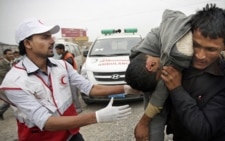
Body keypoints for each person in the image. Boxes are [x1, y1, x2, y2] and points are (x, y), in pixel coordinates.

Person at [0, 18, 139, 141]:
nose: (52, 41)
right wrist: (97, 117)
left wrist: (126, 88)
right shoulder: (14, 82)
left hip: (71, 135)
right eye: (45, 37)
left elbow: (90, 88)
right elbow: (46, 122)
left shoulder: (62, 66)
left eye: (51, 36)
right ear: (28, 44)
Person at [127, 4, 225, 141]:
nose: (200, 55)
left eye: (211, 49)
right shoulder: (175, 63)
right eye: (195, 45)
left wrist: (177, 89)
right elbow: (156, 101)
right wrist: (144, 122)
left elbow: (203, 131)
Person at [125, 7, 193, 141]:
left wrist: (143, 122)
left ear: (151, 65)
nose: (162, 75)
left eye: (160, 75)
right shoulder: (138, 55)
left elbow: (159, 95)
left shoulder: (176, 50)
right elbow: (154, 101)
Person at [55, 43, 82, 113]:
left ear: (61, 49)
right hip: (68, 78)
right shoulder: (64, 56)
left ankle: (78, 108)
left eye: (57, 50)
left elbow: (68, 65)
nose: (56, 52)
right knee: (71, 94)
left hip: (72, 78)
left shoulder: (68, 56)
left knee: (74, 94)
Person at [0, 49, 13, 120]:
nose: (11, 55)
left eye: (11, 54)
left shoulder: (11, 62)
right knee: (9, 100)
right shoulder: (2, 63)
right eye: (9, 54)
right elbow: (2, 73)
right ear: (5, 55)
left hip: (11, 84)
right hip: (5, 84)